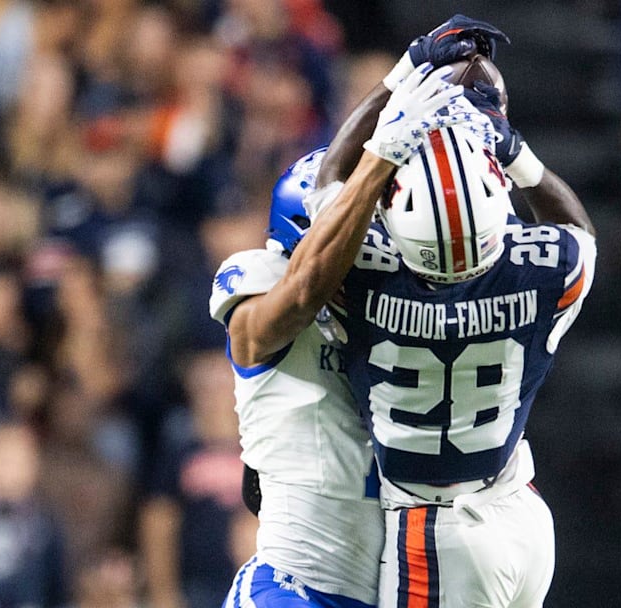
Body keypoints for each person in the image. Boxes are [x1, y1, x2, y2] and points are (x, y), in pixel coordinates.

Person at [207, 27, 497, 607]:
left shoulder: (393, 304)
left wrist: (406, 84)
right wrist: (382, 147)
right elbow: (301, 293)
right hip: (293, 588)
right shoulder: (260, 286)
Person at [318, 42, 597, 607]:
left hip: (439, 534)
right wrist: (513, 149)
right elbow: (578, 230)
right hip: (520, 515)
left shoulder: (359, 278)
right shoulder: (545, 268)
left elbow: (328, 187)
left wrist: (401, 80)